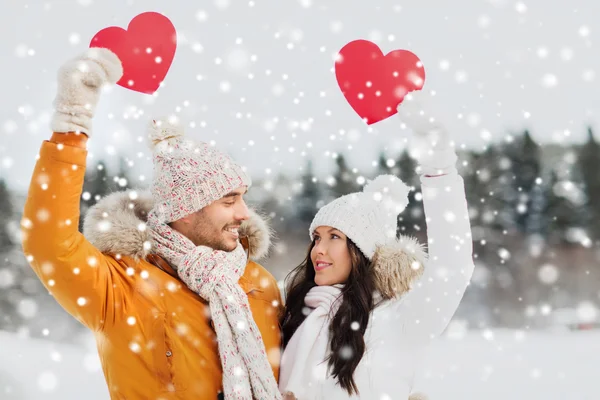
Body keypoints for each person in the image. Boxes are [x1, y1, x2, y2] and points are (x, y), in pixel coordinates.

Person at [21, 48, 282, 399]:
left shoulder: (259, 285)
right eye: (229, 200)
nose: (245, 213)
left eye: (242, 198)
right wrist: (72, 125)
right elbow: (48, 243)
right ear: (185, 211)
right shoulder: (121, 288)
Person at [278, 89, 476, 399]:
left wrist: (439, 164)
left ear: (364, 251)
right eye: (316, 237)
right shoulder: (294, 309)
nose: (319, 249)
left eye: (335, 238)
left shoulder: (401, 318)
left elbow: (453, 265)